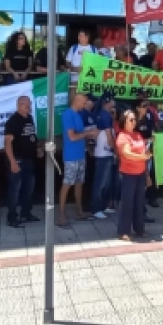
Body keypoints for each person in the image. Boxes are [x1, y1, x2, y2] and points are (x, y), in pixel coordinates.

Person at [58, 93, 94, 227]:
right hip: (71, 156)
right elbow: (72, 137)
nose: (85, 105)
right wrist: (89, 133)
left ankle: (79, 211)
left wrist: (87, 144)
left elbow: (79, 134)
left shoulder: (78, 115)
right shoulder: (68, 115)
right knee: (67, 184)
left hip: (80, 155)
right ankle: (61, 215)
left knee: (79, 183)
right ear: (76, 101)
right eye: (83, 103)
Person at [4, 95, 40, 228]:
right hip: (17, 159)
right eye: (24, 104)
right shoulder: (13, 121)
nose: (27, 106)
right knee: (15, 189)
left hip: (29, 159)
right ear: (18, 105)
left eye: (29, 104)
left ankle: (26, 213)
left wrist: (39, 148)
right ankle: (12, 217)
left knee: (28, 188)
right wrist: (12, 162)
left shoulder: (29, 118)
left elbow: (31, 137)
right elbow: (7, 144)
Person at [114, 109, 150, 241]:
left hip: (140, 173)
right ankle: (123, 231)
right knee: (127, 203)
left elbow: (144, 152)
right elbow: (126, 154)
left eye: (135, 119)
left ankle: (139, 229)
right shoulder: (122, 136)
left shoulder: (138, 135)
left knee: (139, 202)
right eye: (131, 120)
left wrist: (147, 175)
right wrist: (142, 156)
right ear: (124, 121)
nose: (134, 122)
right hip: (128, 174)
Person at [90, 95, 117, 219]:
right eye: (112, 99)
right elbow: (109, 135)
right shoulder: (105, 115)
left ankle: (103, 206)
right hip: (104, 153)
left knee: (105, 182)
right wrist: (115, 149)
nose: (114, 101)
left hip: (103, 152)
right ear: (107, 102)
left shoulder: (102, 113)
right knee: (101, 182)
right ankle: (96, 208)